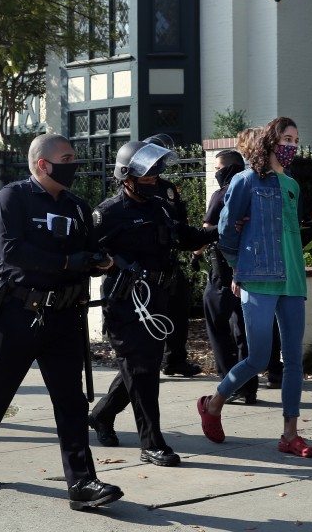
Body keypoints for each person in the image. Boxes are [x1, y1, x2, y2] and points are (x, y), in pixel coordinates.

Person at [0, 134, 123, 512]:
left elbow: (91, 248)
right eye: (66, 157)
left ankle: (81, 483)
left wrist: (101, 259)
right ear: (42, 164)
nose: (73, 164)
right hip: (16, 313)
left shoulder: (77, 207)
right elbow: (12, 250)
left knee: (71, 401)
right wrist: (69, 262)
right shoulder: (12, 197)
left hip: (63, 315)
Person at [87, 140, 217, 466]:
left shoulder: (160, 206)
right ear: (125, 177)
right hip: (125, 303)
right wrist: (109, 262)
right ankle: (152, 443)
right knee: (142, 370)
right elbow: (88, 255)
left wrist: (220, 231)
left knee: (139, 369)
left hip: (158, 300)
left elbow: (184, 237)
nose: (153, 181)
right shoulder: (108, 213)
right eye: (145, 177)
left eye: (155, 176)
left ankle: (101, 415)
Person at [196, 117, 312, 458]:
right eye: (286, 138)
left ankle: (290, 433)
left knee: (294, 359)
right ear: (270, 141)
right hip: (259, 277)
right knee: (258, 357)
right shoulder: (246, 180)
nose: (292, 145)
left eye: (296, 139)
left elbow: (290, 234)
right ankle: (214, 403)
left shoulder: (292, 184)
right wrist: (239, 268)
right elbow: (226, 231)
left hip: (293, 278)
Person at [197, 148, 259, 403]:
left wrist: (195, 247)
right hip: (250, 271)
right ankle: (248, 387)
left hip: (223, 273)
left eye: (218, 167)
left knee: (218, 327)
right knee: (243, 329)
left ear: (229, 169)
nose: (216, 172)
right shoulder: (255, 192)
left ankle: (229, 384)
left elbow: (206, 230)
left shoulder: (223, 194)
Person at [142, 133, 202, 378]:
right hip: (147, 262)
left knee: (178, 308)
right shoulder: (135, 183)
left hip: (170, 258)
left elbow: (180, 218)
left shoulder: (166, 188)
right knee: (153, 313)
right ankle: (149, 360)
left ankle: (176, 360)